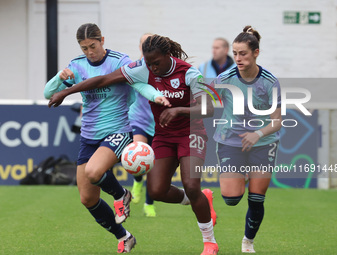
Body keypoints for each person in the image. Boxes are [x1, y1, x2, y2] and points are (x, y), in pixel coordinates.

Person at [48, 34, 219, 255]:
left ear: (168, 56)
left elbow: (209, 109)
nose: (151, 68)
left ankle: (209, 242)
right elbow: (103, 80)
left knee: (191, 184)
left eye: (156, 62)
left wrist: (178, 109)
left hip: (191, 133)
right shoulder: (143, 68)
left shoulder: (189, 73)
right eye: (148, 63)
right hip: (164, 136)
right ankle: (198, 200)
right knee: (157, 191)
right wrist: (66, 91)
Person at [44, 23, 168, 253]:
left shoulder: (120, 62)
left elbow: (140, 84)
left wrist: (157, 96)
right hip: (88, 136)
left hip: (118, 130)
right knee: (87, 199)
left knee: (94, 171)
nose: (90, 52)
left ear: (102, 39)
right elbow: (48, 94)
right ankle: (125, 236)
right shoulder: (77, 66)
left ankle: (122, 195)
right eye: (84, 48)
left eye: (93, 46)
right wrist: (60, 78)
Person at [213, 26, 282, 253]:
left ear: (256, 52)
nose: (238, 58)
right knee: (231, 199)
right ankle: (233, 179)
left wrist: (257, 134)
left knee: (256, 198)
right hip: (230, 141)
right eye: (235, 53)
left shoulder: (270, 82)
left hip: (263, 142)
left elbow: (277, 121)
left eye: (243, 53)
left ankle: (248, 242)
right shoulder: (226, 79)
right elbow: (201, 100)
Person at [129, 33, 157, 217]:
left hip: (158, 123)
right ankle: (137, 180)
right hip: (138, 119)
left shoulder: (163, 66)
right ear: (140, 47)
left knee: (154, 166)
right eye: (145, 43)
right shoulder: (134, 68)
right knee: (138, 154)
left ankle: (149, 203)